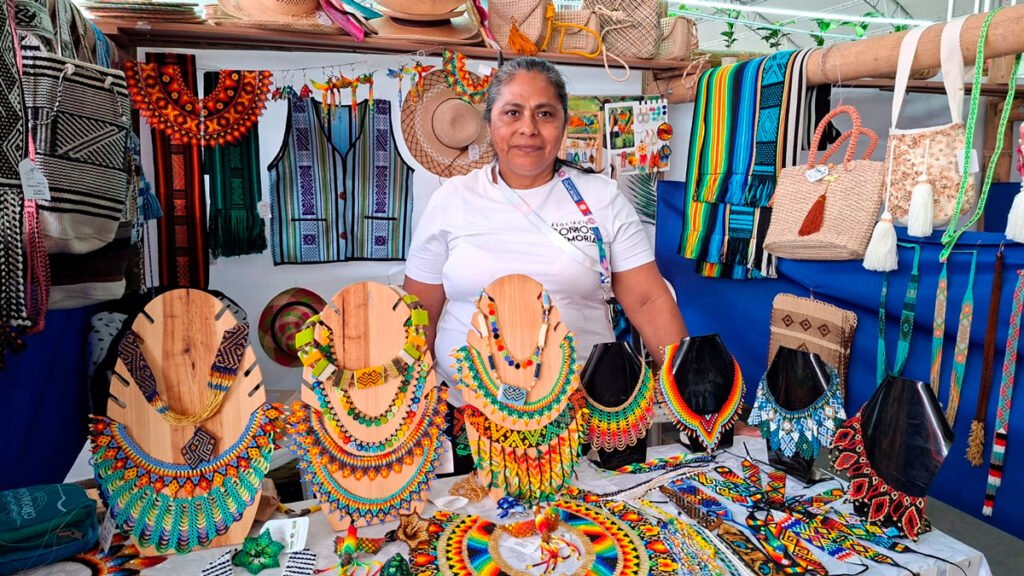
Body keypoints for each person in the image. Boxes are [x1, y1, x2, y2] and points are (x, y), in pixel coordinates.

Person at [403, 57, 688, 403]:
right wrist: (413, 401)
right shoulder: (451, 199)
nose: (529, 128)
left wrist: (691, 396)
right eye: (512, 113)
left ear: (563, 124)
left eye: (544, 113)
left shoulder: (602, 198)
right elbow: (419, 313)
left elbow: (648, 300)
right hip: (465, 413)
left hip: (581, 409)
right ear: (490, 123)